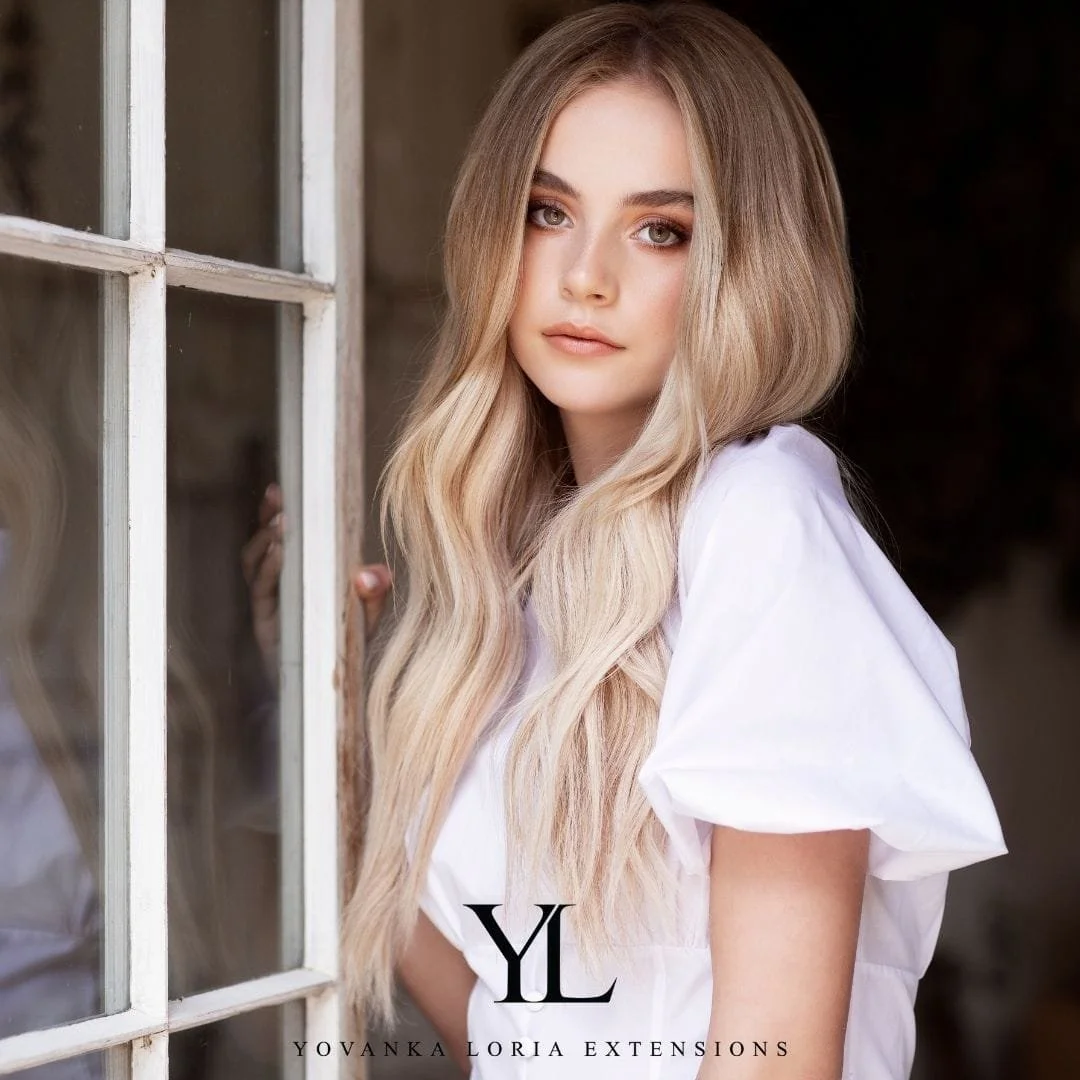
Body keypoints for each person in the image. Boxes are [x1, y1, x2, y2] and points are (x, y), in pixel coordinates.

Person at [341, 4, 1008, 1079]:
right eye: (548, 212)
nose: (586, 275)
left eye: (662, 230)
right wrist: (321, 714)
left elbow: (774, 1062)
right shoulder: (523, 580)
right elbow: (517, 1037)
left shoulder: (760, 523)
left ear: (747, 265)